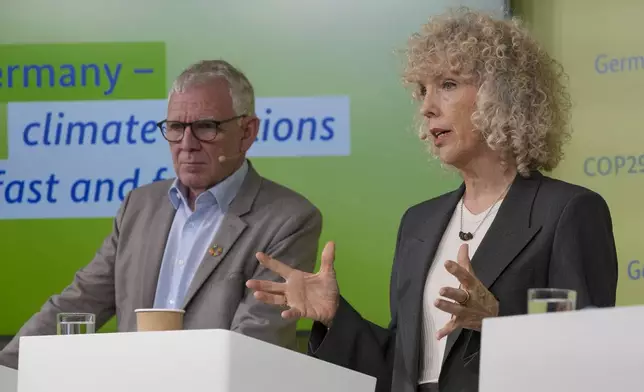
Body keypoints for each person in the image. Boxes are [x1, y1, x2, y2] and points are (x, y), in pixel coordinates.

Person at [246, 8, 618, 392]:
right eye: (422, 90)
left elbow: (589, 362)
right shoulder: (419, 222)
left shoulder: (567, 212)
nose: (427, 107)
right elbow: (401, 368)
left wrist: (497, 324)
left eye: (448, 84)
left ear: (503, 96)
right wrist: (335, 316)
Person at [0, 59, 322, 369]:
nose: (187, 144)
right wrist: (6, 367)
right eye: (175, 127)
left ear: (247, 132)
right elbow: (79, 302)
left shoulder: (288, 220)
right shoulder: (139, 206)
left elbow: (256, 341)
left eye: (206, 127)